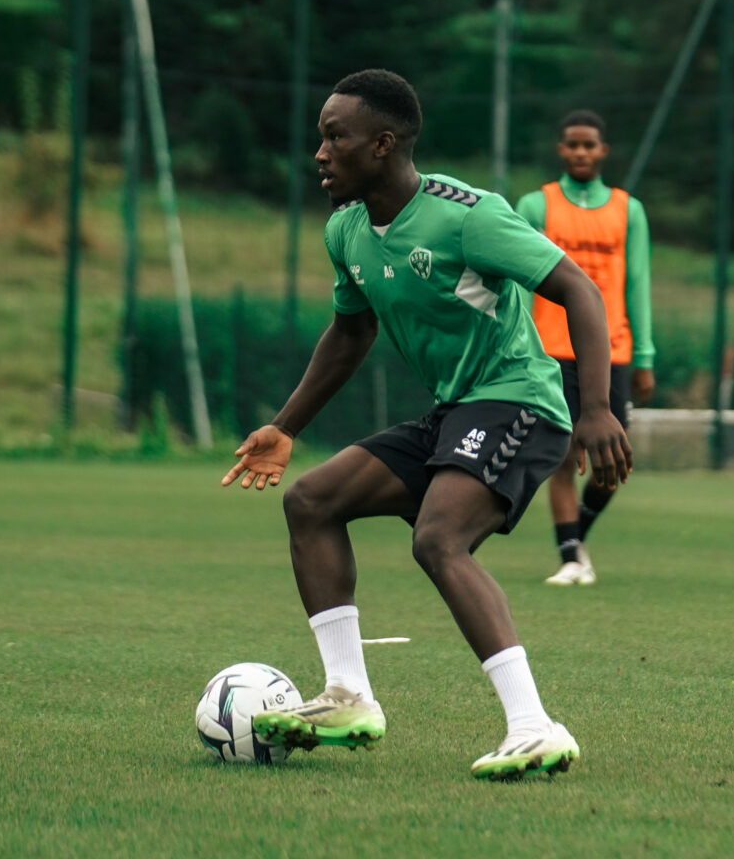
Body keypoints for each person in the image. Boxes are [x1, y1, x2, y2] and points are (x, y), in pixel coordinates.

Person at [221, 70, 631, 780]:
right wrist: (286, 426)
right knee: (311, 502)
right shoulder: (347, 229)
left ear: (381, 145)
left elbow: (578, 290)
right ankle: (349, 695)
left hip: (521, 401)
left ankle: (535, 726)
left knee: (439, 538)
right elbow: (350, 335)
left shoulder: (467, 215)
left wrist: (595, 408)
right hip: (455, 410)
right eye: (321, 136)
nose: (320, 153)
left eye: (334, 137)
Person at [514, 110, 654, 586]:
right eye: (572, 144)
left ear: (602, 151)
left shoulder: (627, 209)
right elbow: (515, 280)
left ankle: (579, 533)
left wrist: (646, 356)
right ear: (561, 150)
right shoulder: (536, 206)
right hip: (551, 348)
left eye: (588, 145)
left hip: (612, 350)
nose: (580, 152)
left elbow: (638, 283)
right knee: (562, 451)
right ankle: (570, 555)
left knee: (614, 456)